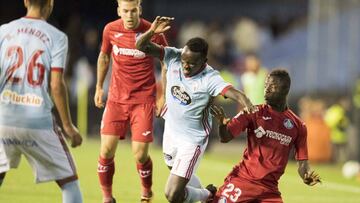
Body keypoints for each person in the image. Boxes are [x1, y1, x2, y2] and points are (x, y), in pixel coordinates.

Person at [136, 16, 254, 203]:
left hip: (192, 140)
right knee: (176, 173)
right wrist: (151, 32)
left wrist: (246, 101)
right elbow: (141, 46)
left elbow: (233, 92)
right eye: (184, 60)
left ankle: (208, 195)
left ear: (204, 61)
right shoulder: (173, 56)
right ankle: (207, 196)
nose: (185, 66)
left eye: (191, 63)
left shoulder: (210, 78)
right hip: (171, 132)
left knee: (172, 194)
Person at [0, 0, 83, 202]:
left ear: (26, 2)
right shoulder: (57, 37)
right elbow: (56, 85)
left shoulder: (4, 31)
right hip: (38, 121)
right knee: (69, 182)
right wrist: (68, 126)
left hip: (4, 119)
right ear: (51, 4)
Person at [94, 1, 168, 203]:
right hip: (116, 99)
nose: (129, 15)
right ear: (119, 11)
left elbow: (167, 61)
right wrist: (99, 87)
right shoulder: (110, 29)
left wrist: (163, 95)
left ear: (139, 10)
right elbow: (104, 56)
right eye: (125, 11)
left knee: (140, 154)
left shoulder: (152, 30)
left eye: (133, 11)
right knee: (106, 150)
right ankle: (107, 197)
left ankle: (146, 191)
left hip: (143, 100)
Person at [210, 69, 321, 203]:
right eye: (266, 85)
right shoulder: (253, 112)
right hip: (244, 181)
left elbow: (303, 162)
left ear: (285, 89)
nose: (267, 89)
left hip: (269, 191)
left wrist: (306, 175)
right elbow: (225, 137)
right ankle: (208, 195)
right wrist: (222, 125)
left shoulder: (298, 126)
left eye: (272, 86)